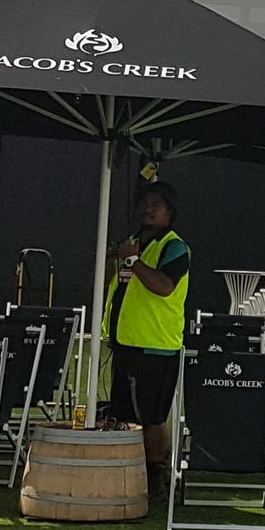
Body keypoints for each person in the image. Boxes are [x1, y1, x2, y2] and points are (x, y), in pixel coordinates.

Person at [102, 180, 189, 503]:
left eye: (157, 204)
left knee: (151, 416)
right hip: (125, 343)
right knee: (124, 414)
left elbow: (164, 286)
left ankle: (157, 480)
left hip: (156, 346)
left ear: (170, 214)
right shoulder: (133, 243)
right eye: (144, 203)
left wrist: (133, 262)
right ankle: (128, 474)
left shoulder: (174, 247)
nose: (148, 208)